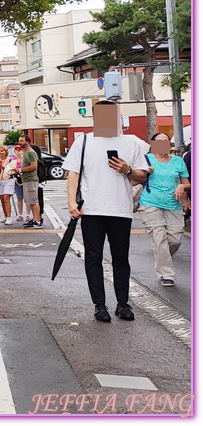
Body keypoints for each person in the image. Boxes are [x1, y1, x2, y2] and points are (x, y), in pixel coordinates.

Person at [64, 100, 148, 323]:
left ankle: (123, 303)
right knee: (93, 257)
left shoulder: (131, 143)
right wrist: (71, 202)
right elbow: (73, 174)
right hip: (92, 209)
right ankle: (99, 305)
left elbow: (142, 175)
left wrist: (127, 170)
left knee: (121, 258)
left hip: (121, 209)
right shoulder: (83, 142)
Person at [138, 132, 190, 287]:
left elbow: (188, 184)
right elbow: (132, 179)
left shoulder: (178, 161)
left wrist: (183, 188)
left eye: (166, 141)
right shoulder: (145, 159)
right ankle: (166, 274)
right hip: (150, 204)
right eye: (159, 142)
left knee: (175, 240)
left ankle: (162, 257)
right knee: (159, 239)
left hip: (174, 204)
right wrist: (143, 172)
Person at [18, 135, 42, 229]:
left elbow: (34, 166)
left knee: (33, 201)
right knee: (30, 201)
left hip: (31, 179)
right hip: (27, 180)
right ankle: (34, 219)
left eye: (22, 141)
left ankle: (37, 221)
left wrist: (20, 170)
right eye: (19, 141)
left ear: (28, 142)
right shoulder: (26, 152)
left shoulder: (30, 153)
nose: (20, 142)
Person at [0, 145, 17, 225]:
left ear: (6, 152)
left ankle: (9, 217)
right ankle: (5, 215)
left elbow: (15, 170)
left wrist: (3, 167)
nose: (0, 152)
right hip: (0, 180)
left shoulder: (10, 160)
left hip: (8, 180)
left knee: (6, 198)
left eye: (2, 151)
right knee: (2, 199)